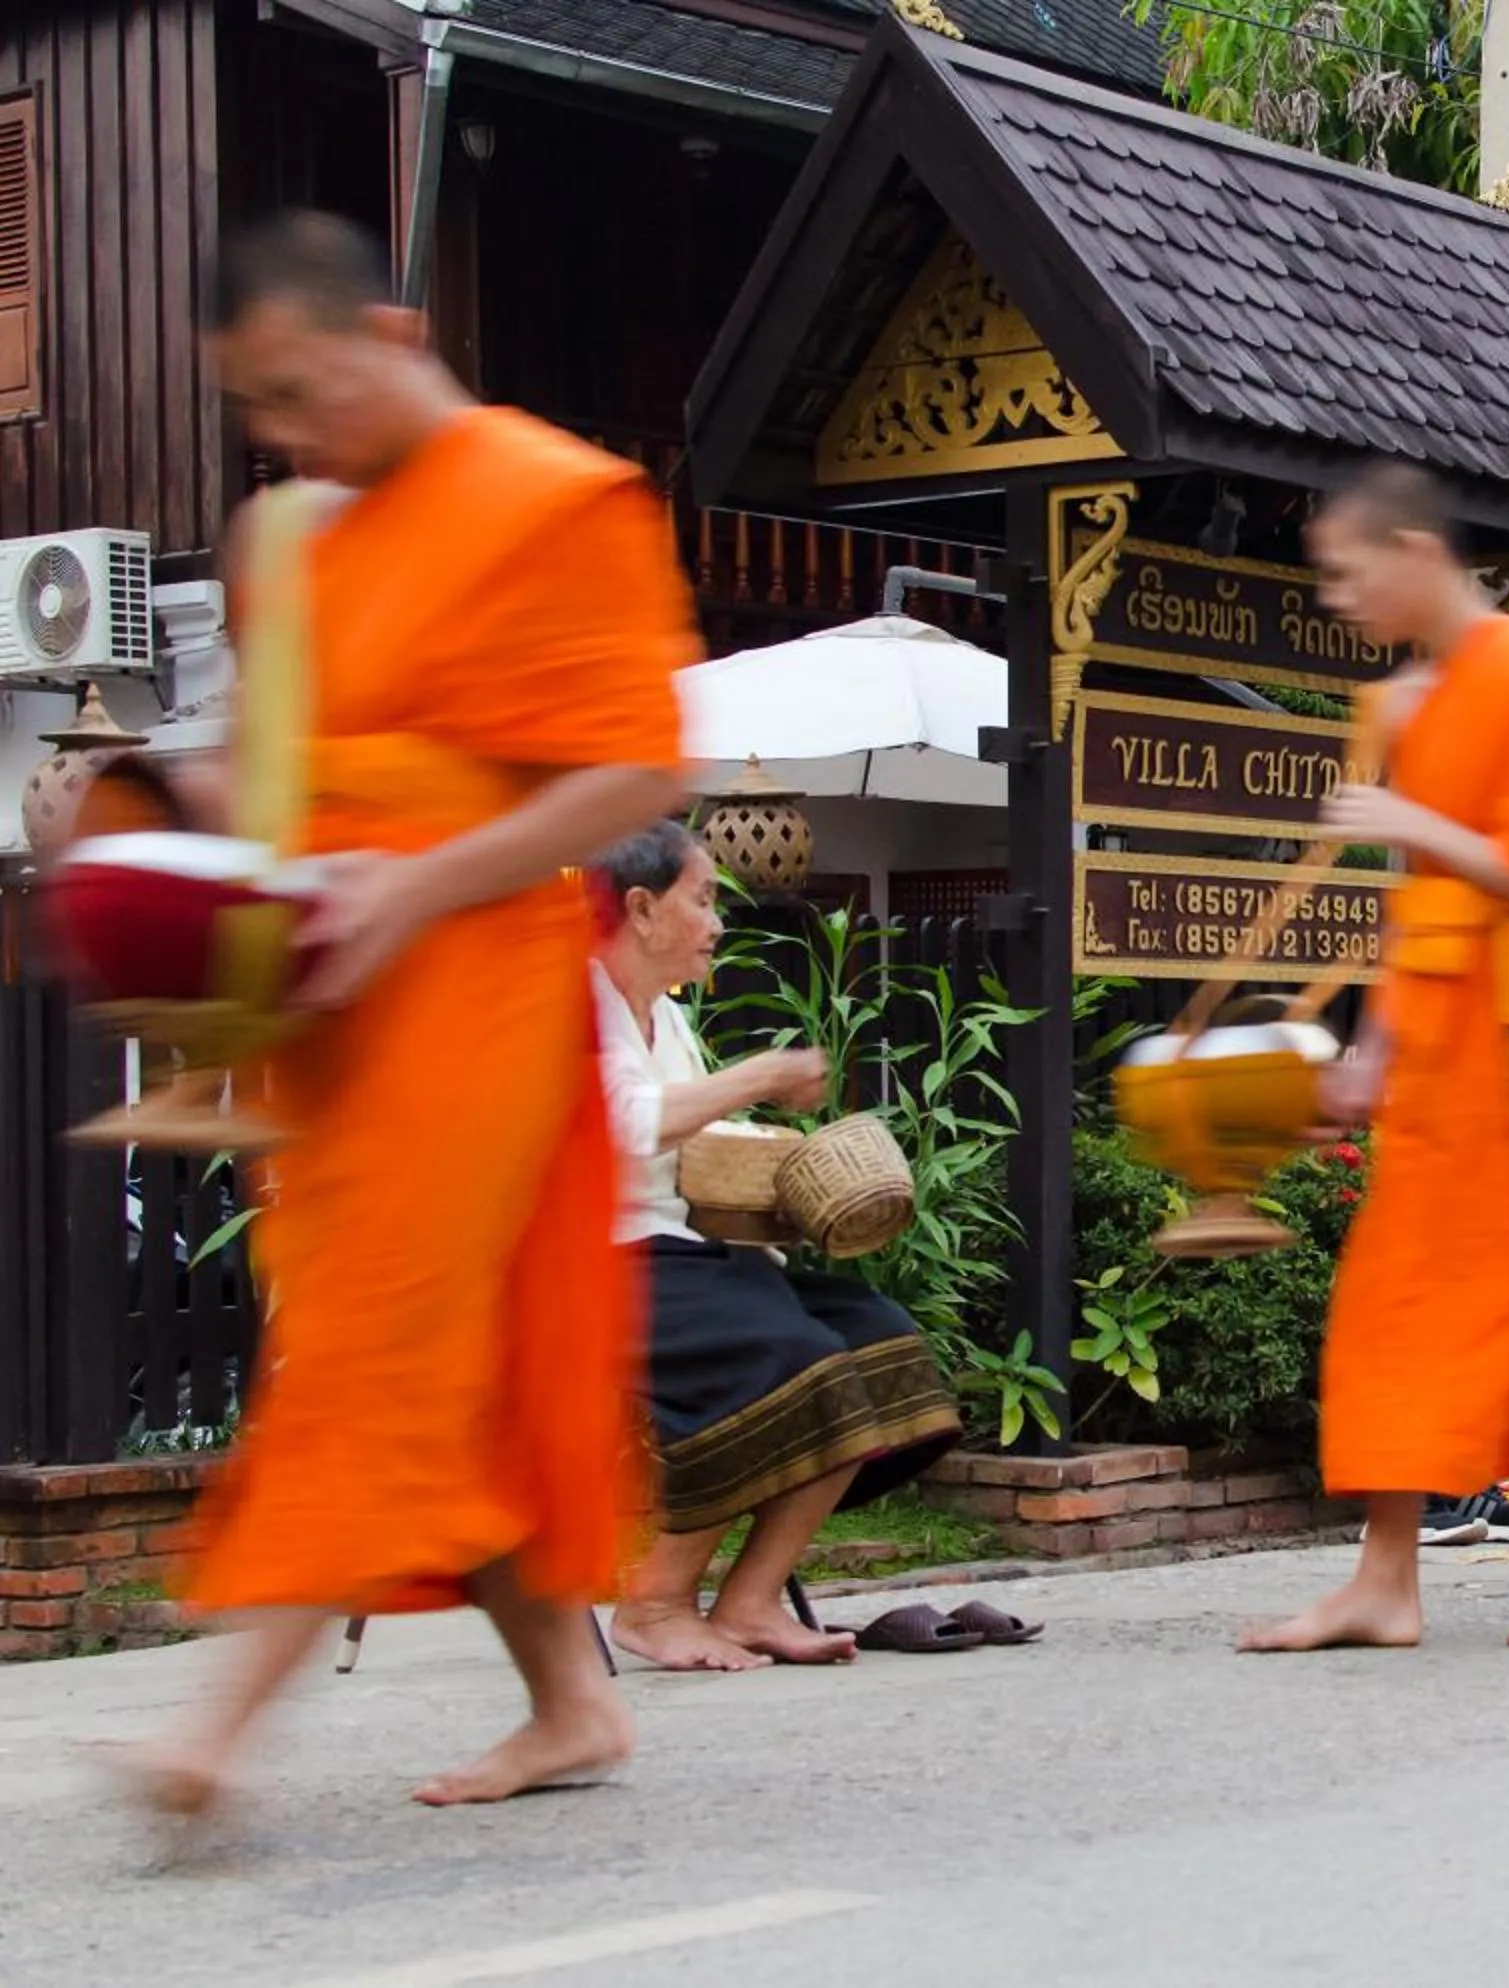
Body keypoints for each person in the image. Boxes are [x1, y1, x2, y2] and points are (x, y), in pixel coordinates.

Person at [125, 211, 692, 1815]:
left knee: (374, 1348)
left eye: (301, 393)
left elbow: (640, 769)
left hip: (476, 986)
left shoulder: (550, 497)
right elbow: (275, 758)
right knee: (473, 1369)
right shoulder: (289, 538)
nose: (285, 438)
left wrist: (419, 885)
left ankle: (214, 1729)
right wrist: (171, 832)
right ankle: (573, 1706)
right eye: (257, 412)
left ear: (386, 333)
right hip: (325, 1000)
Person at [1239, 463, 1509, 1655]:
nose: (1337, 600)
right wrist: (1371, 1043)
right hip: (1442, 1031)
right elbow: (1423, 908)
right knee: (1398, 1286)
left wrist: (1418, 824)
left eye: (1347, 574)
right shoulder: (1407, 703)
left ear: (1416, 550)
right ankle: (1384, 1576)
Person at [586, 820, 964, 1670]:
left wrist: (774, 1186)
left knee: (875, 1339)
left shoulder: (665, 1023)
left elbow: (699, 1146)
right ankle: (654, 1602)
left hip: (677, 1251)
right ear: (642, 909)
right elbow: (621, 1126)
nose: (719, 921)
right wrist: (762, 1074)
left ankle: (752, 1598)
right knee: (791, 1355)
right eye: (706, 899)